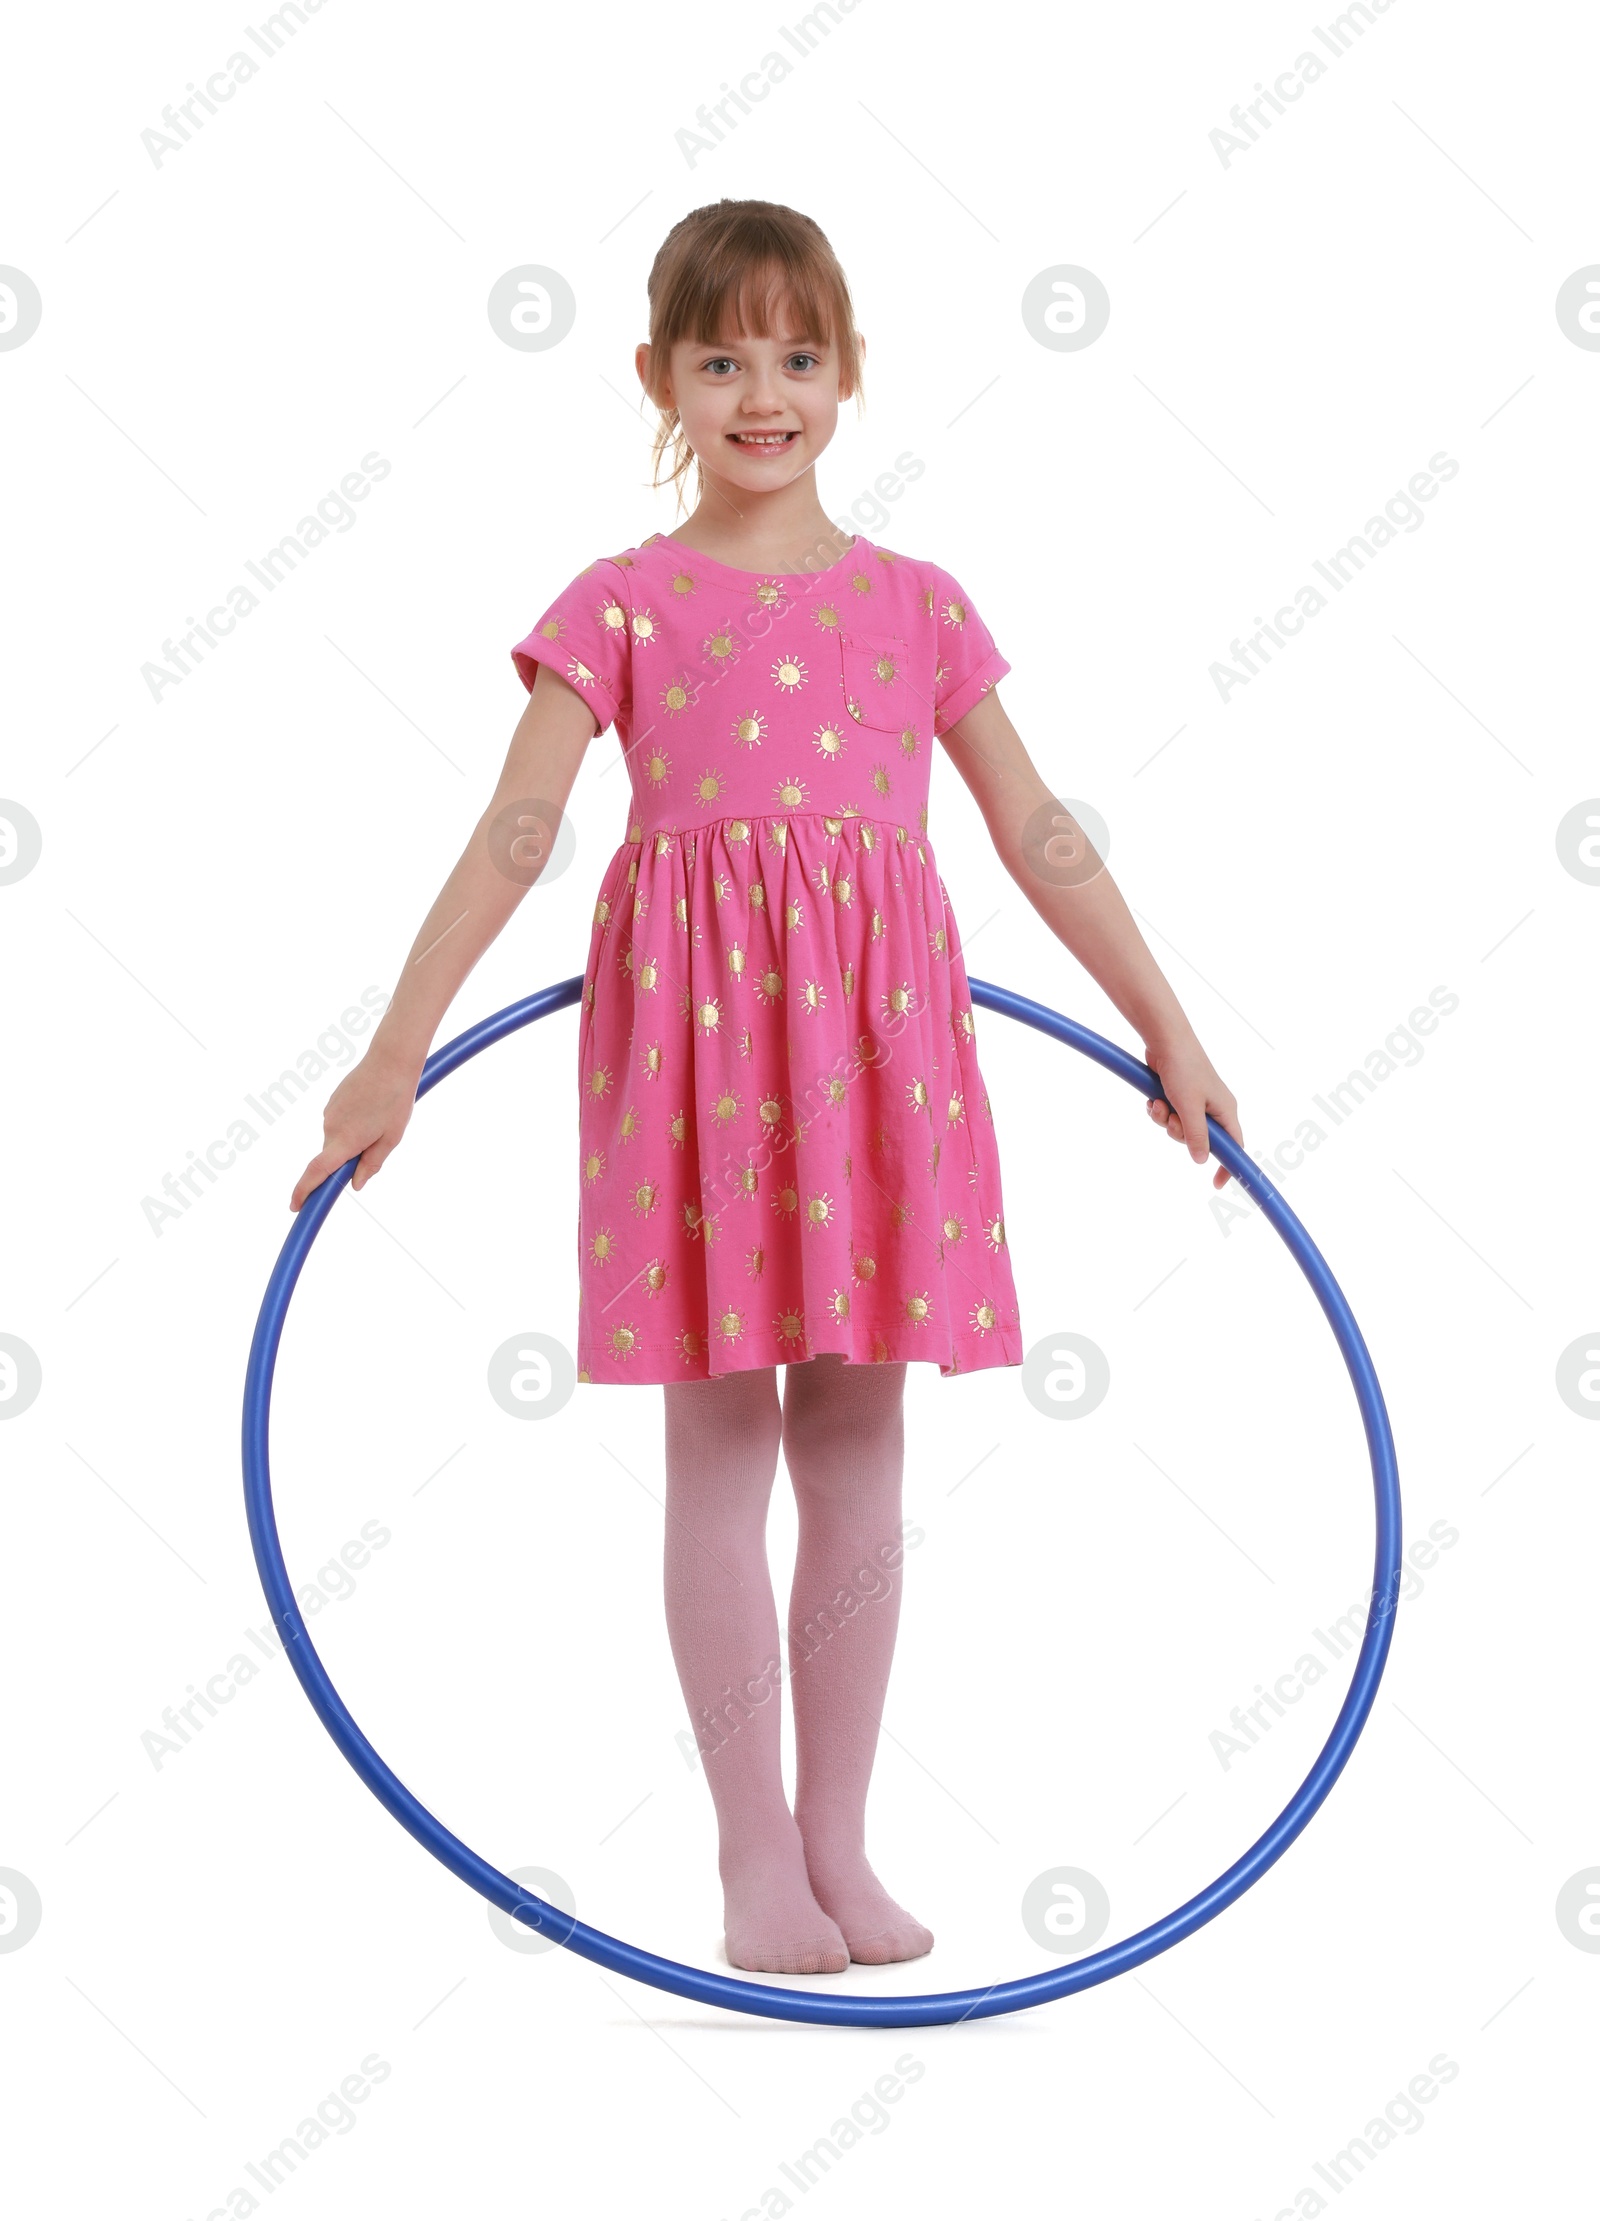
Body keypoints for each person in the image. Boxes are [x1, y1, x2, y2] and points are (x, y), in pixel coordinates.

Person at [290, 198, 1243, 1979]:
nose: (762, 391)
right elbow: (515, 834)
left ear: (848, 374)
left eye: (798, 354)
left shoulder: (917, 604)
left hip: (882, 1060)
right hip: (699, 1069)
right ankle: (749, 1857)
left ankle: (840, 1841)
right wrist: (391, 1050)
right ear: (657, 375)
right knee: (722, 1437)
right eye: (721, 356)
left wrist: (1166, 1016)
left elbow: (1037, 830)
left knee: (863, 1440)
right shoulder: (623, 603)